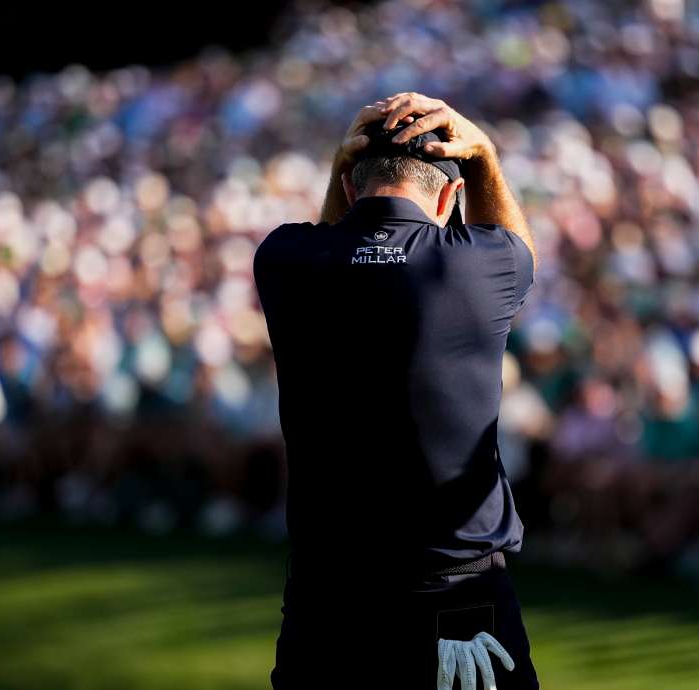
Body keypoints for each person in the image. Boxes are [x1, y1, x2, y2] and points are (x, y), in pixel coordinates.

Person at [254, 92, 541, 689]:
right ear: (449, 196)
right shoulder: (480, 266)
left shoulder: (283, 258)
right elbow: (521, 256)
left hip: (325, 599)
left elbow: (335, 243)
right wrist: (484, 155)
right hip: (455, 596)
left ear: (350, 186)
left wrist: (344, 172)